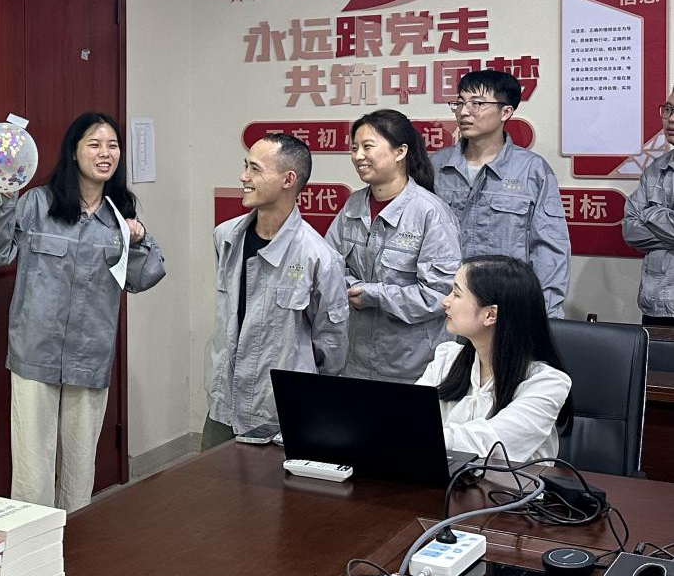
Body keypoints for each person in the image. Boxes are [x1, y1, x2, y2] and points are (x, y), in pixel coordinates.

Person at [0, 112, 165, 511]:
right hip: (34, 352)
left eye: (112, 145)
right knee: (32, 473)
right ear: (74, 152)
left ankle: (77, 543)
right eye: (95, 144)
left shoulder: (120, 214)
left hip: (89, 356)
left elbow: (143, 278)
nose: (105, 153)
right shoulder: (37, 203)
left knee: (79, 470)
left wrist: (140, 240)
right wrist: (5, 198)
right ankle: (32, 545)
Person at [203, 134, 347, 449]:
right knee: (210, 478)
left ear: (288, 179)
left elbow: (330, 347)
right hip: (224, 404)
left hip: (280, 413)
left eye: (255, 169)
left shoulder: (318, 257)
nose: (244, 177)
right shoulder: (226, 237)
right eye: (245, 166)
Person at [325, 109, 462, 382]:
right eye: (354, 148)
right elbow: (329, 265)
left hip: (412, 367)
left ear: (400, 152)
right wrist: (350, 286)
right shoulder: (353, 205)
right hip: (355, 361)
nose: (358, 156)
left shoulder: (430, 213)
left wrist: (372, 294)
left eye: (367, 147)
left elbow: (440, 295)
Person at [431, 70, 571, 317]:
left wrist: (543, 313)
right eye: (460, 103)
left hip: (506, 306)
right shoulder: (437, 166)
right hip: (444, 304)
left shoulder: (531, 170)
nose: (464, 112)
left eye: (476, 103)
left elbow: (549, 248)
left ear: (506, 112)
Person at [416, 256, 573, 462]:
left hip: (510, 483)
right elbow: (407, 416)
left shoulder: (547, 383)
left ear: (490, 314)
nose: (445, 301)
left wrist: (417, 436)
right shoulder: (446, 358)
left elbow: (490, 443)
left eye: (457, 294)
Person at [622, 88, 674, 325]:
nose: (670, 119)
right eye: (668, 109)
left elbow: (640, 219)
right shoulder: (655, 168)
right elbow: (630, 230)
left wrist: (650, 213)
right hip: (655, 305)